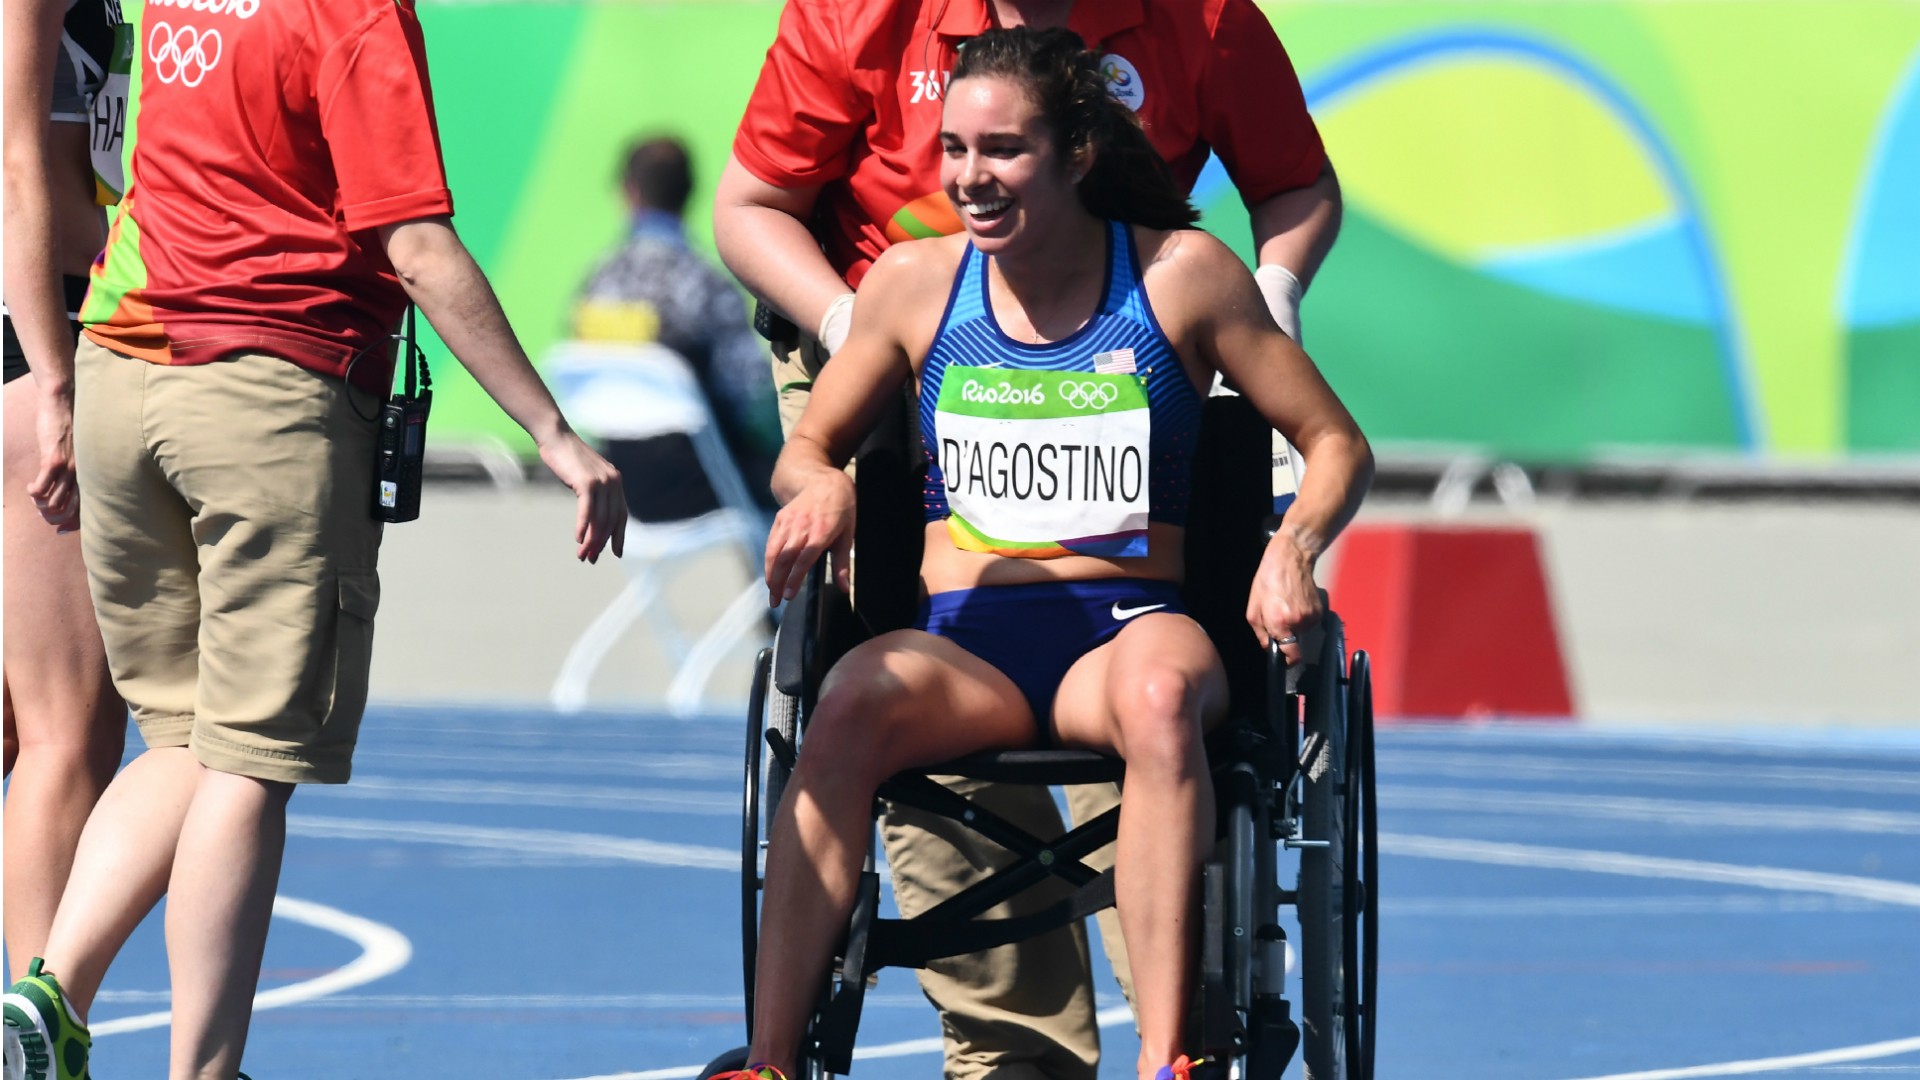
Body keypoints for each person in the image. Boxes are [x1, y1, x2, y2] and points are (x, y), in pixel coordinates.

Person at [716, 27, 1371, 1080]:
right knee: (844, 705)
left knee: (1162, 699)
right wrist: (823, 484)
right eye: (954, 149)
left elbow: (1336, 443)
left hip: (1125, 635)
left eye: (1003, 151)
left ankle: (1167, 1060)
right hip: (963, 645)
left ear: (1077, 152)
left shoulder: (1181, 278)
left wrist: (1293, 545)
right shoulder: (912, 284)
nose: (970, 178)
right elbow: (807, 448)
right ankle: (772, 1060)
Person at [0, 0, 629, 1074]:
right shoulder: (352, 11)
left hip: (122, 370)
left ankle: (46, 995)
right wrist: (552, 432)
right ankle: (199, 1065)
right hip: (267, 390)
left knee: (182, 741)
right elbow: (417, 247)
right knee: (250, 759)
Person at [1, 0, 131, 984]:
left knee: (24, 725)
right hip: (36, 334)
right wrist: (54, 380)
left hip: (40, 327)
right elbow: (23, 173)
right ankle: (41, 1029)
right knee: (67, 732)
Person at [575, 136, 782, 510]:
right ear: (691, 192)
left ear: (629, 192)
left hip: (617, 484)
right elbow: (750, 394)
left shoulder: (596, 283)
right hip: (708, 484)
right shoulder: (707, 284)